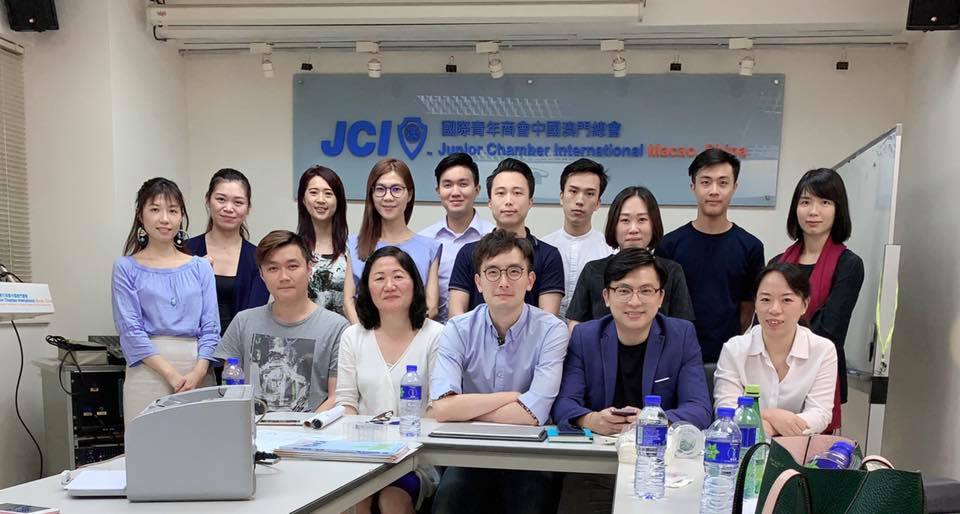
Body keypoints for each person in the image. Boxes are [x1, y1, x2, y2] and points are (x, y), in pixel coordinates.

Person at [552, 248, 711, 514]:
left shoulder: (681, 335)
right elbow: (564, 404)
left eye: (646, 290)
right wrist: (590, 420)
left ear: (660, 297)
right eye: (623, 290)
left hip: (663, 468)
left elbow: (700, 409)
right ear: (606, 296)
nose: (634, 301)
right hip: (597, 467)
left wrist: (654, 422)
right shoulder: (585, 336)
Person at [429, 229, 568, 514]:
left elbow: (532, 416)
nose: (503, 282)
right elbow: (442, 408)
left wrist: (464, 410)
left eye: (514, 271)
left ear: (530, 280)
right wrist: (513, 396)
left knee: (529, 501)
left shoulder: (552, 330)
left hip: (530, 455)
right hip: (471, 452)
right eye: (492, 272)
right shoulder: (457, 329)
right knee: (449, 502)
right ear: (478, 282)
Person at [336, 246, 444, 513]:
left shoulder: (437, 335)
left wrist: (401, 445)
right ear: (367, 288)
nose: (389, 285)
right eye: (379, 278)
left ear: (414, 283)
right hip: (363, 454)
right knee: (356, 499)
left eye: (398, 276)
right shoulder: (353, 336)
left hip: (416, 456)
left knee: (392, 499)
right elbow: (346, 403)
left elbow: (437, 407)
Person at [112, 178, 219, 424]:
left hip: (198, 369)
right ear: (140, 215)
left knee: (200, 441)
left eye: (173, 211)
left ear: (181, 216)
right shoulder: (125, 267)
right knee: (148, 443)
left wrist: (199, 371)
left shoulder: (201, 266)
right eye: (155, 209)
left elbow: (211, 327)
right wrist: (171, 375)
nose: (165, 219)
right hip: (147, 371)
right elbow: (130, 331)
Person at [214, 231, 349, 413]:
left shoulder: (337, 328)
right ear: (262, 274)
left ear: (309, 268)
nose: (284, 277)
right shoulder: (243, 322)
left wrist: (308, 427)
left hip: (311, 429)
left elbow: (337, 397)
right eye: (273, 268)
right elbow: (231, 390)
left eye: (292, 266)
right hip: (252, 427)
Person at [774, 168, 864, 432]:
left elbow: (830, 330)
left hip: (819, 378)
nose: (813, 211)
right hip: (773, 376)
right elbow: (764, 323)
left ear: (838, 209)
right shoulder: (777, 264)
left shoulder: (849, 264)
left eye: (824, 202)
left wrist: (782, 335)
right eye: (805, 202)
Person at [657, 149, 765, 362]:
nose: (714, 191)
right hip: (676, 354)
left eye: (723, 183)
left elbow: (748, 308)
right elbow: (661, 304)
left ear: (734, 188)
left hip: (729, 356)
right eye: (706, 182)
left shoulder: (751, 247)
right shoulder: (668, 246)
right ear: (693, 187)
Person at [714, 263, 838, 436]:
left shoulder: (823, 350)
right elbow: (726, 410)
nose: (774, 309)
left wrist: (768, 426)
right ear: (755, 303)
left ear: (804, 305)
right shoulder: (734, 349)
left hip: (796, 447)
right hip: (744, 447)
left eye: (786, 300)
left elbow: (819, 414)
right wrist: (771, 416)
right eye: (765, 299)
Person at [448, 158, 565, 317]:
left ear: (530, 202)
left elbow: (548, 318)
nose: (509, 201)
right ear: (490, 202)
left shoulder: (548, 255)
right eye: (501, 193)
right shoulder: (468, 252)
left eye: (517, 193)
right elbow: (456, 314)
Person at [566, 186, 695, 331]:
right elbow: (576, 323)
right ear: (614, 225)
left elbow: (682, 327)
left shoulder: (671, 271)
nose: (633, 229)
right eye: (625, 220)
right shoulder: (593, 270)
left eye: (642, 220)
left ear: (654, 224)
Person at [347, 158, 441, 322]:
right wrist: (365, 334)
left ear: (409, 194)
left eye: (396, 189)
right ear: (371, 194)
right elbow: (348, 301)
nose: (388, 197)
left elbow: (431, 307)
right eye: (380, 189)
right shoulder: (354, 244)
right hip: (365, 333)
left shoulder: (430, 248)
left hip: (416, 334)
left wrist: (401, 334)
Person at [185, 168, 269, 335]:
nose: (228, 208)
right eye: (221, 199)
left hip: (239, 347)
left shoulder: (259, 258)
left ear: (248, 207)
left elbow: (255, 317)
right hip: (190, 345)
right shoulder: (185, 251)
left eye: (238, 202)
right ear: (208, 200)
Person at [418, 153, 495, 322]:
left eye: (463, 184)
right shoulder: (424, 240)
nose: (455, 192)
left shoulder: (494, 237)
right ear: (438, 191)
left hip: (483, 331)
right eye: (447, 185)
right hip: (433, 331)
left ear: (477, 190)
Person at [543, 158, 614, 319]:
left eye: (589, 194)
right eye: (573, 191)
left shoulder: (610, 251)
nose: (580, 201)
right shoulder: (542, 247)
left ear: (598, 203)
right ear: (562, 197)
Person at [295, 165, 353, 318]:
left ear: (338, 200)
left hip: (344, 331)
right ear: (303, 199)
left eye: (328, 193)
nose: (321, 200)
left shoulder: (354, 248)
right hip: (302, 330)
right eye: (313, 192)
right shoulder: (293, 248)